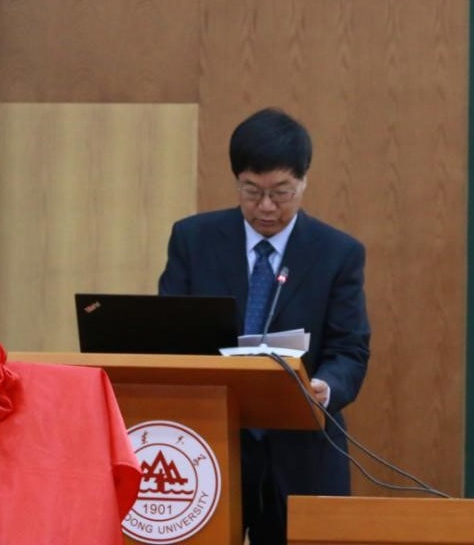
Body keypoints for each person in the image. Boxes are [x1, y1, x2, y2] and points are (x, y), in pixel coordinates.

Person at [158, 107, 370, 545]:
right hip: (210, 445)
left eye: (281, 192)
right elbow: (167, 335)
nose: (266, 207)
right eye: (251, 191)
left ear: (303, 181)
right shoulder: (193, 240)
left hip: (303, 451)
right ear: (237, 181)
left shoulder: (337, 253)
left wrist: (325, 387)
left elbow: (349, 349)